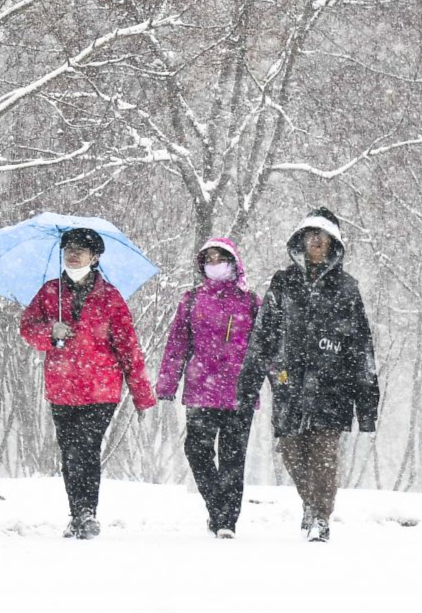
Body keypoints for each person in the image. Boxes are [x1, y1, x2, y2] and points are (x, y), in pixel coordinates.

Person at [235, 208, 379, 543]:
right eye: (310, 234)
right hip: (288, 385)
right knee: (292, 451)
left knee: (324, 456)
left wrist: (367, 404)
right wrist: (249, 385)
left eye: (322, 235)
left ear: (333, 243)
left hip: (333, 388)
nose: (315, 240)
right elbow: (263, 336)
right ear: (300, 240)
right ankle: (309, 504)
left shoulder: (346, 289)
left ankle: (321, 517)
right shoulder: (282, 283)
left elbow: (362, 348)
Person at [19, 226, 157, 539]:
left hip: (101, 389)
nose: (73, 253)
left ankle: (87, 513)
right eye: (68, 247)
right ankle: (76, 513)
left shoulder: (110, 298)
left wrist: (141, 395)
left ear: (95, 257)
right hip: (62, 387)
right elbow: (27, 329)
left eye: (82, 248)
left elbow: (128, 346)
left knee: (86, 448)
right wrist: (49, 333)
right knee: (69, 452)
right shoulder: (49, 293)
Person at [156, 237, 258, 538]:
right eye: (209, 259)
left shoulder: (251, 301)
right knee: (196, 451)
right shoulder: (191, 300)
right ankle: (218, 508)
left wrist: (281, 380)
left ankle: (227, 522)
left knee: (232, 458)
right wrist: (167, 382)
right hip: (202, 389)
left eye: (220, 258)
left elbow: (264, 347)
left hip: (240, 391)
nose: (214, 264)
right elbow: (177, 345)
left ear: (233, 262)